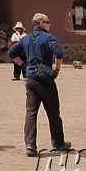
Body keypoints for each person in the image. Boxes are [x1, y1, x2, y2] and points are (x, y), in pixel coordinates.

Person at [9, 13, 71, 157]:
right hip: (45, 79)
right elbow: (59, 53)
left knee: (31, 113)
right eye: (48, 22)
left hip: (30, 78)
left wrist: (24, 66)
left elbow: (12, 53)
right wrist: (57, 69)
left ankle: (30, 146)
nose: (50, 25)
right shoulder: (48, 38)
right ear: (41, 23)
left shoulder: (27, 39)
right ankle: (58, 143)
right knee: (53, 113)